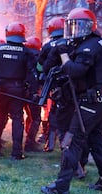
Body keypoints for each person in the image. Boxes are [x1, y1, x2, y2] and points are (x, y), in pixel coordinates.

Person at [41, 7, 102, 194]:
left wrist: (64, 54)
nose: (76, 30)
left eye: (81, 26)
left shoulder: (91, 45)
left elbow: (75, 70)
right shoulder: (88, 42)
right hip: (98, 98)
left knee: (71, 139)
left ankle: (61, 185)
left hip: (92, 100)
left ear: (90, 27)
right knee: (96, 139)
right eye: (73, 26)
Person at [0, 22, 36, 160]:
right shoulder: (26, 52)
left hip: (1, 89)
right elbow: (32, 74)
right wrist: (31, 90)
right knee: (17, 119)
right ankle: (16, 153)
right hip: (18, 90)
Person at [37, 16, 67, 152]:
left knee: (54, 113)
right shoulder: (71, 42)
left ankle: (50, 143)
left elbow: (41, 65)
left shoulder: (48, 46)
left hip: (54, 86)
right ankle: (66, 143)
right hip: (72, 84)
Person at [23, 36, 42, 152]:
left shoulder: (23, 55)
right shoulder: (40, 57)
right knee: (35, 118)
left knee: (28, 116)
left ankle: (28, 139)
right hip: (33, 91)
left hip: (21, 91)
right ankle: (30, 143)